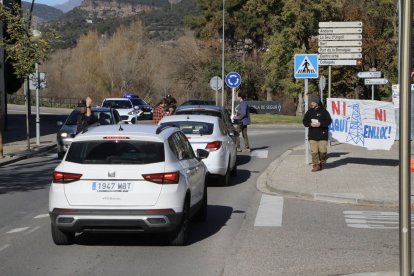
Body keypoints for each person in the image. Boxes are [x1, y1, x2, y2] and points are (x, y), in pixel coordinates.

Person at [302, 96, 332, 172]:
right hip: (312, 135)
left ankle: (322, 162)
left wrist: (320, 124)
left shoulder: (324, 111)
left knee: (323, 152)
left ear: (317, 103)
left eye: (313, 102)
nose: (311, 103)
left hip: (322, 135)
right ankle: (316, 165)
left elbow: (329, 121)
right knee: (314, 152)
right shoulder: (309, 112)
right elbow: (305, 121)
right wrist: (310, 124)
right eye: (311, 102)